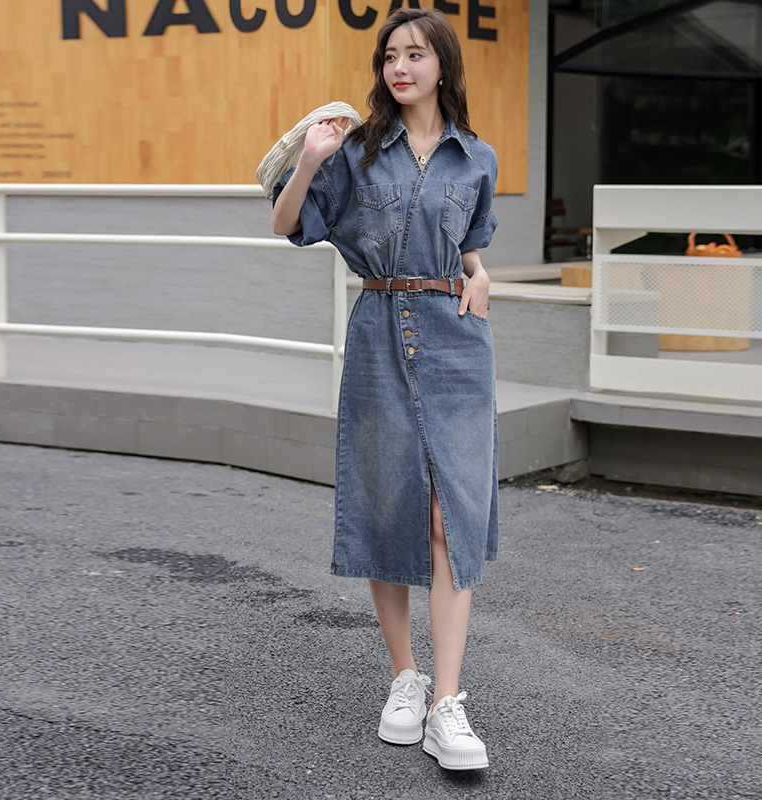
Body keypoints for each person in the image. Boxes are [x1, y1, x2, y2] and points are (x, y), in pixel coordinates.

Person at [271, 7, 498, 772]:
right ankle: (406, 676)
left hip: (457, 342)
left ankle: (447, 703)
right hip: (379, 332)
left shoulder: (477, 158)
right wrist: (311, 160)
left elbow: (470, 244)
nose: (400, 67)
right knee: (386, 502)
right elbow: (287, 224)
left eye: (415, 54)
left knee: (448, 514)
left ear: (443, 66)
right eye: (390, 55)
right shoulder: (356, 151)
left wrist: (480, 273)